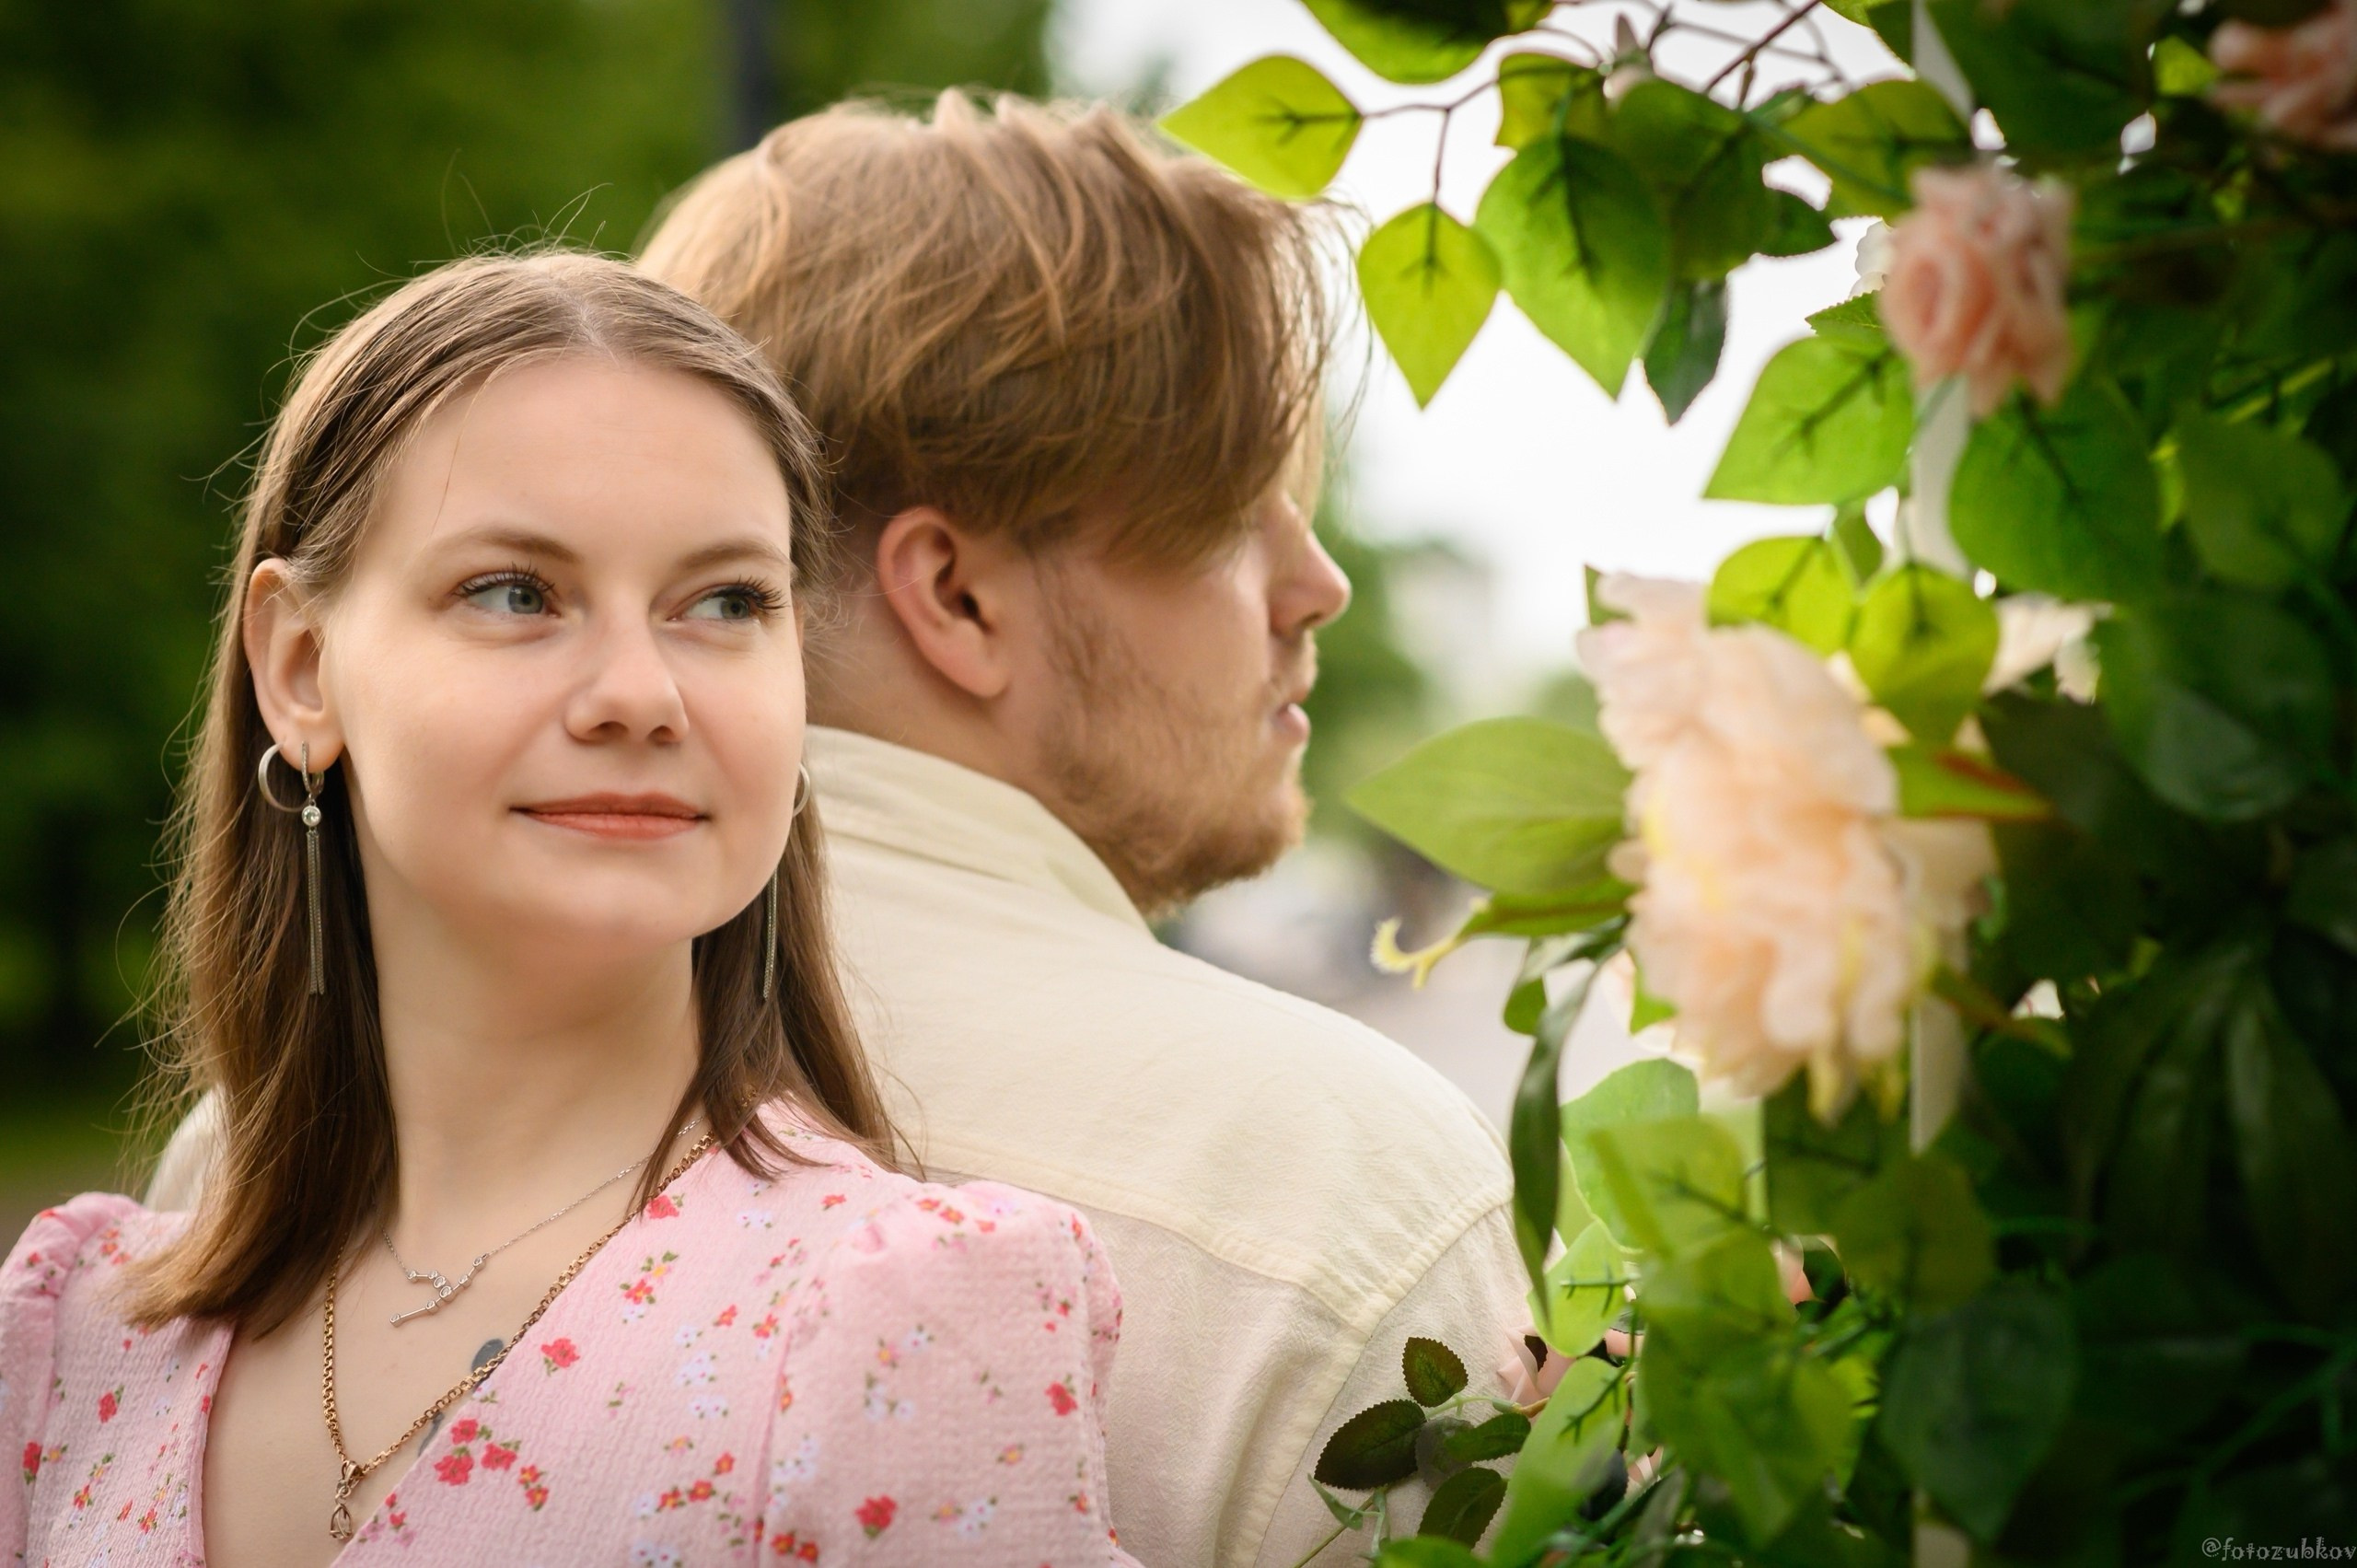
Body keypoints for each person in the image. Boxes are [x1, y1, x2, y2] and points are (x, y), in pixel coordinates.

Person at [6, 253, 1135, 1567]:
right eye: (516, 594)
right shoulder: (79, 1342)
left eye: (725, 603)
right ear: (301, 666)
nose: (640, 693)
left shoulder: (902, 1315)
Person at [635, 97, 1533, 1564]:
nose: (1319, 590)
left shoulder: (284, 1145)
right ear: (961, 598)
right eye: (1241, 513)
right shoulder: (1328, 1184)